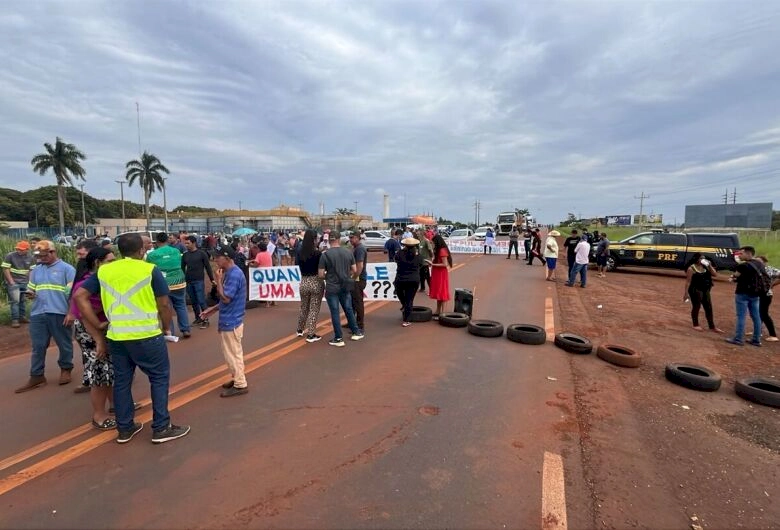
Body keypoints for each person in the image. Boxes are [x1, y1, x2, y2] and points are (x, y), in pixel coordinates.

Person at [75, 233, 190, 444]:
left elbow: (79, 296)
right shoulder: (149, 269)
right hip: (147, 335)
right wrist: (166, 328)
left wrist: (98, 324)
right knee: (158, 378)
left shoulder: (105, 271)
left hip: (117, 336)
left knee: (122, 382)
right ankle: (161, 427)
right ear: (141, 250)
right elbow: (164, 304)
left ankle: (125, 428)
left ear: (119, 251)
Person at [15, 241, 76, 393]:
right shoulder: (36, 270)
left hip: (59, 312)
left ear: (52, 252)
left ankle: (66, 369)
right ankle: (37, 375)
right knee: (38, 346)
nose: (41, 259)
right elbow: (32, 288)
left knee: (64, 343)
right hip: (38, 313)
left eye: (43, 256)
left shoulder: (67, 269)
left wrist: (71, 313)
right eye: (39, 257)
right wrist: (30, 293)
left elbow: (74, 294)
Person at [69, 248, 117, 429]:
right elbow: (84, 315)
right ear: (97, 263)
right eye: (110, 261)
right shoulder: (88, 284)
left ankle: (115, 404)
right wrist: (99, 340)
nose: (114, 264)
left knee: (108, 370)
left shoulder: (100, 280)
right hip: (91, 331)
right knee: (99, 372)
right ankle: (99, 416)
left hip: (99, 329)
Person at [199, 245, 248, 397]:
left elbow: (226, 298)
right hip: (231, 319)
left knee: (232, 354)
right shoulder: (232, 272)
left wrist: (218, 280)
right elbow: (227, 300)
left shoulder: (233, 275)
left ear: (227, 258)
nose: (215, 260)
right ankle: (237, 378)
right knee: (232, 353)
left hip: (231, 321)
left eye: (217, 257)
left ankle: (240, 383)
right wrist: (212, 309)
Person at [318, 231, 364, 347]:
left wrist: (328, 276)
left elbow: (321, 274)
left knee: (335, 312)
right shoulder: (348, 252)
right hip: (345, 285)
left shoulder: (325, 255)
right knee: (348, 309)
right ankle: (356, 332)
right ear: (339, 239)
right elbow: (354, 270)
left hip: (332, 286)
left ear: (329, 240)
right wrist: (349, 277)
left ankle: (338, 338)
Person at [146, 232, 191, 338]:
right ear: (167, 240)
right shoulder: (176, 251)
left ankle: (169, 331)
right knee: (181, 305)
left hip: (163, 284)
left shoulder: (152, 255)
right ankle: (185, 329)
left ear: (157, 241)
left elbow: (149, 269)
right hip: (179, 281)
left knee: (166, 307)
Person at [725, 246, 764, 347]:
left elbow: (735, 276)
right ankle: (756, 339)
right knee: (756, 317)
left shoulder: (743, 266)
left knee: (741, 316)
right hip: (755, 293)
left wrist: (733, 278)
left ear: (748, 253)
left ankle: (738, 338)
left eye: (741, 253)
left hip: (742, 293)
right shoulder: (760, 264)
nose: (739, 255)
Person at [294, 229, 325, 343]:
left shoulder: (299, 252)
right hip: (315, 281)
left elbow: (296, 264)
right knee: (314, 309)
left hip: (304, 281)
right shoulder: (318, 253)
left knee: (304, 307)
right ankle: (311, 334)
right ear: (314, 239)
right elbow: (321, 268)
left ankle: (300, 329)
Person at [182, 235, 216, 329]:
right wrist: (183, 279)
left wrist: (212, 279)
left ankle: (205, 319)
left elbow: (208, 267)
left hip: (199, 280)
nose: (186, 245)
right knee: (193, 301)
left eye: (188, 243)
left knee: (201, 300)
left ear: (194, 243)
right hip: (189, 281)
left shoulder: (201, 254)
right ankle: (198, 318)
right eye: (185, 243)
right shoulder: (185, 255)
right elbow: (182, 268)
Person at [683, 253, 722, 333]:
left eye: (704, 258)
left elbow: (715, 274)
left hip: (705, 289)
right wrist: (686, 293)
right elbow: (688, 282)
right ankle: (696, 324)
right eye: (701, 258)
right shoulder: (691, 268)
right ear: (696, 259)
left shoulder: (706, 267)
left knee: (708, 307)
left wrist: (710, 265)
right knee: (696, 306)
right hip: (695, 289)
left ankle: (712, 326)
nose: (702, 260)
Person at [3, 240, 33, 328]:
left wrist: (30, 283)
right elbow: (5, 269)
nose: (19, 251)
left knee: (22, 301)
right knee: (15, 301)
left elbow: (31, 270)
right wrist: (11, 281)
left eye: (21, 249)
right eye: (18, 249)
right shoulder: (10, 256)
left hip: (25, 282)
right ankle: (15, 320)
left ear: (27, 249)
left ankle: (22, 317)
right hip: (14, 282)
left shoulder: (31, 257)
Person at [394, 237, 423, 327]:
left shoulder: (399, 253)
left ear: (405, 245)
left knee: (400, 293)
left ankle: (404, 305)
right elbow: (421, 264)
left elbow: (396, 260)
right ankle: (406, 320)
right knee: (409, 299)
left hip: (400, 278)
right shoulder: (418, 255)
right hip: (414, 279)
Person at [755, 256, 778, 342]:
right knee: (758, 313)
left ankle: (773, 335)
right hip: (758, 294)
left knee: (764, 314)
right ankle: (758, 331)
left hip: (766, 295)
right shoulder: (756, 269)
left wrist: (772, 284)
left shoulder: (770, 269)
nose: (757, 263)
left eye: (759, 261)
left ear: (765, 262)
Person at [428, 234, 453, 319]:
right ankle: (438, 310)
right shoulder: (438, 250)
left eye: (433, 243)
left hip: (441, 273)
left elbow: (445, 264)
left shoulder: (442, 250)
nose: (432, 244)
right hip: (437, 273)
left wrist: (433, 264)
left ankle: (443, 313)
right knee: (439, 291)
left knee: (442, 292)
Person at [348, 232, 368, 333]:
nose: (350, 239)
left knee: (358, 302)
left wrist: (354, 278)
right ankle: (352, 322)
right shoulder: (356, 248)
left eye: (352, 238)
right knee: (352, 302)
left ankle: (360, 325)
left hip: (358, 279)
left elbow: (360, 266)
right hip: (356, 278)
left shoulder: (360, 249)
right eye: (350, 237)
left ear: (357, 238)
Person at [416, 229, 434, 293]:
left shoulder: (426, 241)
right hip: (421, 262)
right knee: (421, 276)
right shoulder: (420, 241)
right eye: (417, 234)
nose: (417, 235)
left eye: (418, 234)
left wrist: (430, 258)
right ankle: (422, 288)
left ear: (422, 234)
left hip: (426, 262)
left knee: (428, 277)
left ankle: (431, 289)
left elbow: (430, 250)